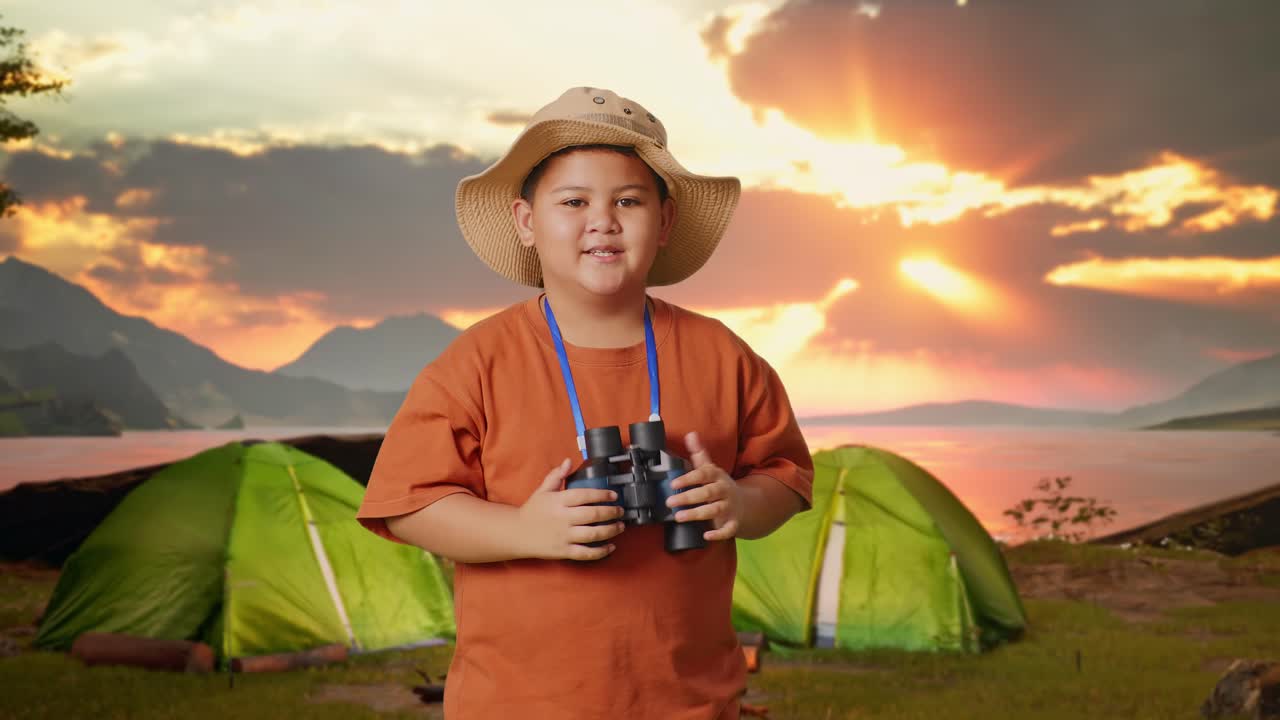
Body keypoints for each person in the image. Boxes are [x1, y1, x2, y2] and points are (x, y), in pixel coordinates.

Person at [357, 86, 814, 720]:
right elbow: (408, 505)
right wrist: (522, 529)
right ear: (526, 222)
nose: (603, 219)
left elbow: (786, 478)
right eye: (573, 201)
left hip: (689, 701)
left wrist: (740, 502)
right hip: (517, 704)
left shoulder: (724, 356)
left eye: (629, 200)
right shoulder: (475, 364)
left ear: (666, 221)